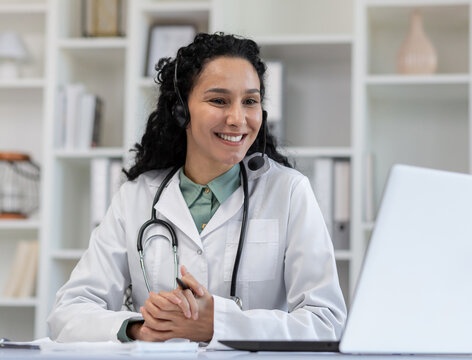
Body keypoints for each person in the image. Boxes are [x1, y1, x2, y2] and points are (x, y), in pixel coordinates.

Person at [47, 32, 347, 348]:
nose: (238, 118)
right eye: (219, 100)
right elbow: (67, 314)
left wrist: (218, 322)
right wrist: (140, 327)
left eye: (250, 101)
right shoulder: (135, 198)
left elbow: (326, 322)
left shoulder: (288, 192)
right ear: (181, 111)